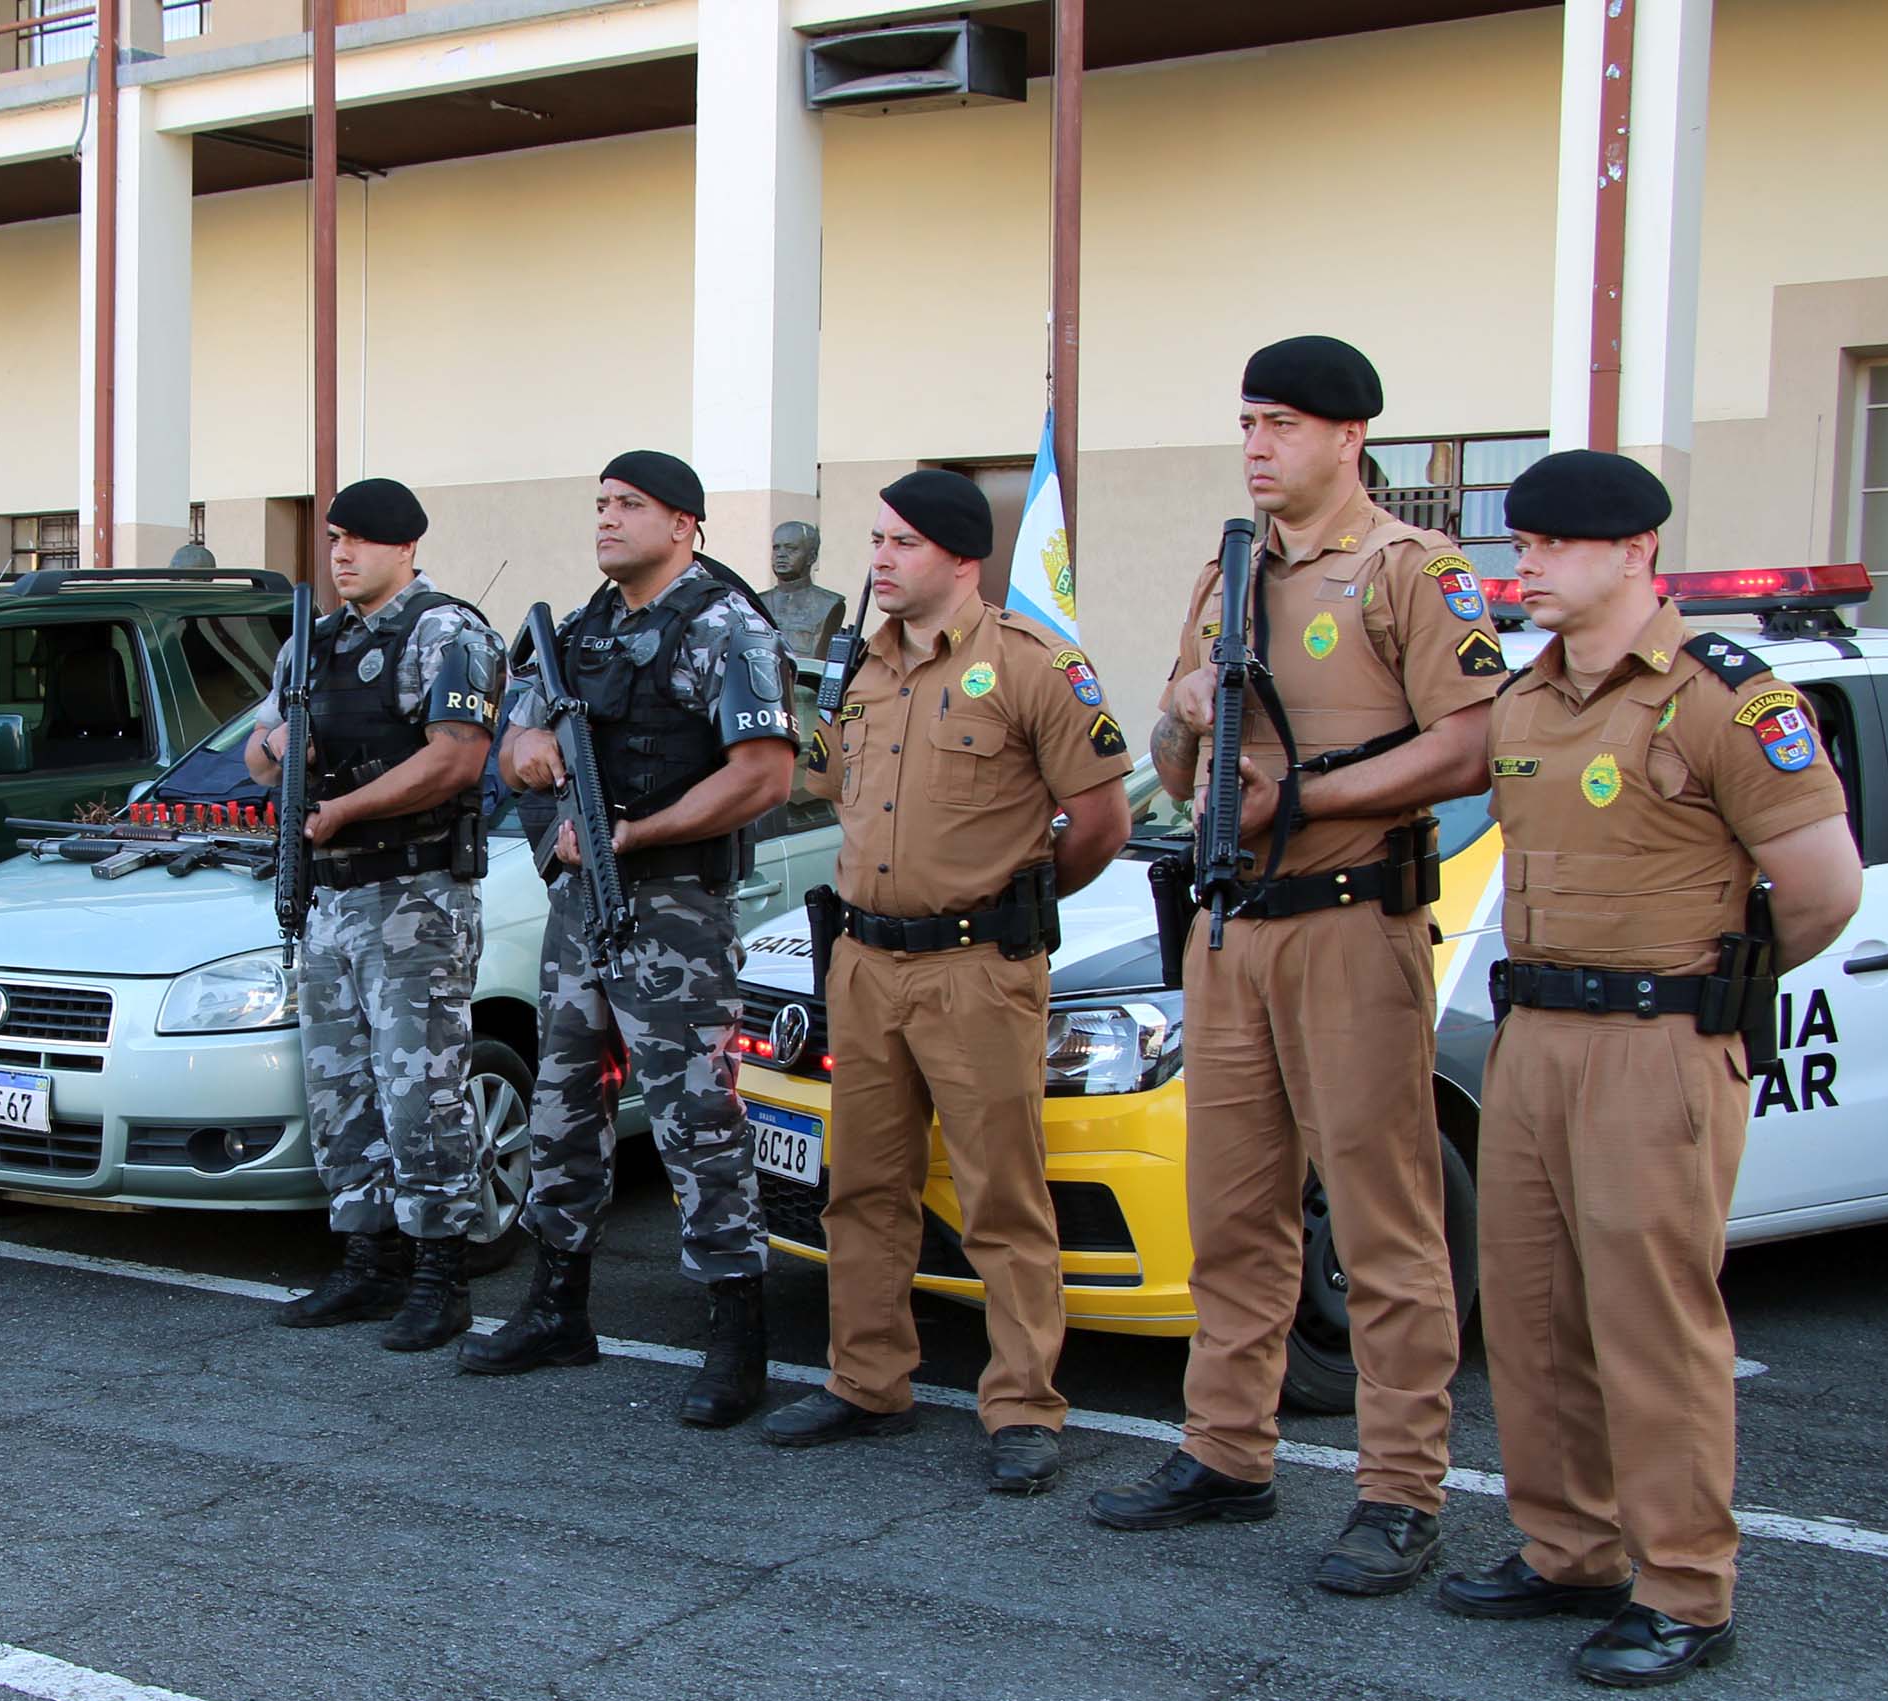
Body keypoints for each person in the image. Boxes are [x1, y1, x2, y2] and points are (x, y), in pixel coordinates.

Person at [1443, 450, 1860, 1685]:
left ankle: (1684, 1583)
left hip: (1659, 1044)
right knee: (1531, 1309)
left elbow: (1825, 888)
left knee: (1653, 1321)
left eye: (1554, 545)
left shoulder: (1725, 698)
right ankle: (1566, 1544)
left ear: (1633, 553)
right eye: (1520, 544)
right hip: (1536, 1037)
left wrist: (1712, 985)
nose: (1526, 564)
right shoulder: (1527, 702)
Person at [1089, 336, 1498, 1594]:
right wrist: (1189, 718)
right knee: (1233, 1212)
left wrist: (1304, 794)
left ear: (1346, 437)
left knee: (1382, 1222)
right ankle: (1226, 1450)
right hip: (1231, 928)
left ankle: (1399, 1491)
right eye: (1248, 422)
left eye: (1279, 424)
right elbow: (1170, 759)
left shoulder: (1407, 571)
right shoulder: (1228, 575)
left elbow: (1474, 743)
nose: (1257, 445)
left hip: (1348, 922)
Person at [767, 472, 1134, 1488]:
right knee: (866, 1187)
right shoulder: (861, 669)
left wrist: (1007, 901)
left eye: (905, 543)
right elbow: (829, 783)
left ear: (963, 559)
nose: (880, 557)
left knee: (1000, 1197)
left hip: (978, 966)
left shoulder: (1030, 665)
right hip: (866, 962)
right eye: (878, 539)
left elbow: (1101, 819)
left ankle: (1023, 1405)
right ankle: (866, 1378)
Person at [458, 450, 797, 1423]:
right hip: (580, 910)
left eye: (629, 504)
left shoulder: (726, 624)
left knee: (698, 1117)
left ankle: (739, 1338)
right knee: (565, 1106)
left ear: (684, 524)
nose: (606, 518)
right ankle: (558, 1308)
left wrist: (633, 831)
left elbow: (765, 775)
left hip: (676, 908)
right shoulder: (582, 630)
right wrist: (535, 757)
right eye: (600, 502)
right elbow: (516, 739)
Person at [245, 479, 501, 1350]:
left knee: (421, 1093)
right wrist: (284, 745)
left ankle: (441, 1275)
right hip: (332, 897)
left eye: (358, 540)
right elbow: (255, 745)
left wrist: (346, 809)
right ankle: (366, 1260)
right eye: (333, 539)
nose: (340, 554)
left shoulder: (445, 633)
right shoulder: (309, 646)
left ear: (404, 547)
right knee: (341, 1089)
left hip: (414, 896)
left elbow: (457, 759)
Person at [764, 520, 848, 661]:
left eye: (791, 549)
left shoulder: (829, 603)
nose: (781, 555)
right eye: (776, 548)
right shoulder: (756, 602)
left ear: (812, 557)